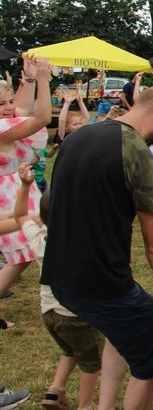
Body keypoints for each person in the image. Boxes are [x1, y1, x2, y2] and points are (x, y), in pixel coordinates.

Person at [42, 86, 153, 410]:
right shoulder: (139, 156)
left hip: (59, 278)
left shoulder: (77, 138)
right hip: (100, 285)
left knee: (123, 332)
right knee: (148, 336)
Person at [2, 163, 104, 410]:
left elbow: (21, 216)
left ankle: (55, 390)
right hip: (77, 316)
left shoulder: (39, 239)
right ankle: (86, 405)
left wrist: (26, 186)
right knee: (91, 363)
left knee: (71, 350)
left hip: (50, 313)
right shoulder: (82, 245)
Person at [0, 56, 52, 326]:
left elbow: (21, 107)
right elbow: (42, 117)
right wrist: (43, 80)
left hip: (18, 189)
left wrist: (30, 79)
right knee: (21, 256)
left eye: (8, 101)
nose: (9, 108)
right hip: (6, 198)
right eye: (2, 104)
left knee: (25, 254)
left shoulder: (6, 121)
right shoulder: (0, 130)